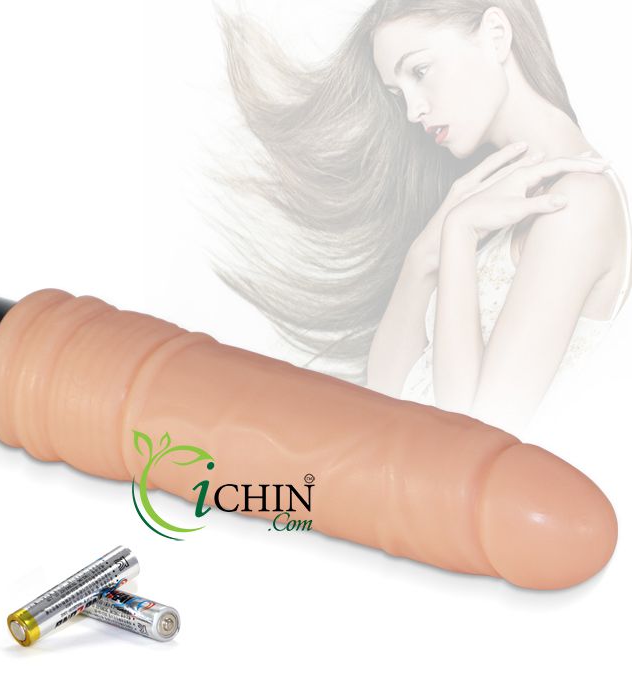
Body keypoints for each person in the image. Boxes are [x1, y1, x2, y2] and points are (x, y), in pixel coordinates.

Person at [210, 0, 631, 434]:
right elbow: (384, 391)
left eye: (420, 71)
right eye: (398, 93)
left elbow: (475, 432)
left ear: (496, 35)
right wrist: (428, 249)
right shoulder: (485, 198)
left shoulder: (576, 205)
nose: (413, 111)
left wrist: (460, 234)